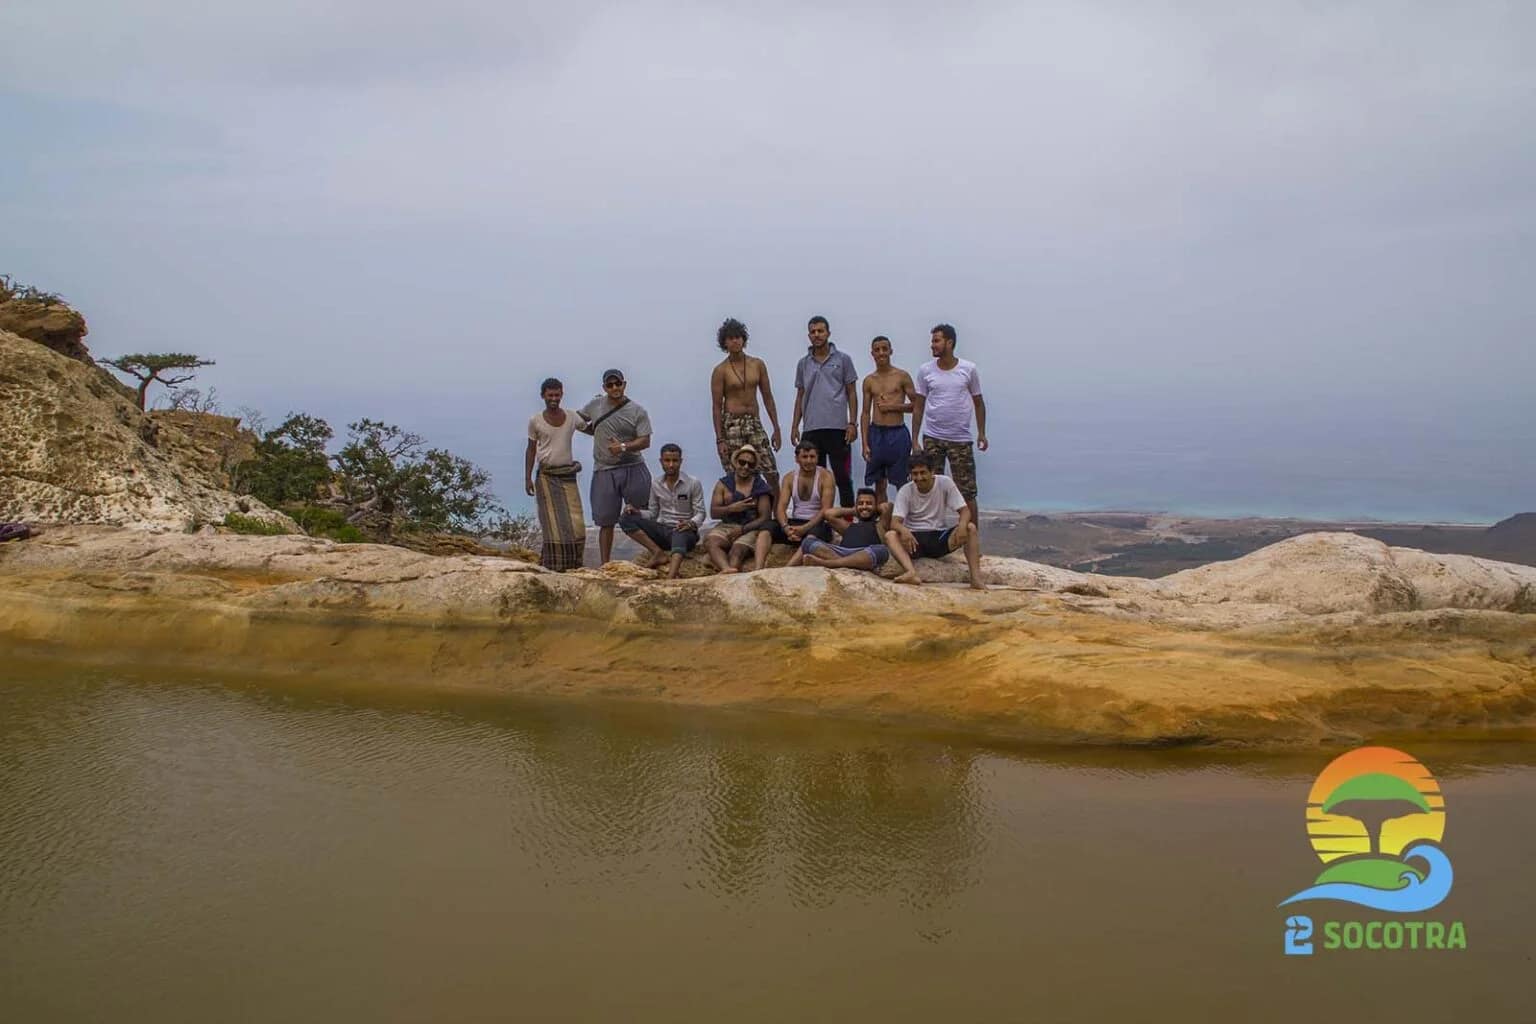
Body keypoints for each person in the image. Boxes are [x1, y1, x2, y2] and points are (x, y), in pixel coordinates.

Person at [911, 323, 987, 525]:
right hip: (932, 437)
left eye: (936, 341)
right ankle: (933, 532)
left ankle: (972, 538)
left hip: (960, 439)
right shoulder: (925, 370)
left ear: (949, 342)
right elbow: (918, 406)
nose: (932, 345)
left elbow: (978, 402)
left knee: (967, 491)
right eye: (932, 341)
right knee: (931, 488)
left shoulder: (968, 369)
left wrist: (981, 433)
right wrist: (915, 440)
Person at [576, 368, 653, 564]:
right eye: (610, 385)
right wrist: (595, 432)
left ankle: (656, 554)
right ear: (604, 387)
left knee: (643, 514)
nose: (614, 387)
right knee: (606, 520)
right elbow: (577, 421)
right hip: (604, 469)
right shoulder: (594, 405)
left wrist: (623, 447)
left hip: (633, 467)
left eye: (618, 383)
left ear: (624, 384)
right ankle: (605, 564)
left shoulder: (637, 411)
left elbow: (645, 441)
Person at [885, 453, 984, 589]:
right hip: (914, 541)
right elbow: (894, 522)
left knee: (970, 528)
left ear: (932, 472)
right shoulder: (905, 491)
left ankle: (975, 579)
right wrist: (904, 530)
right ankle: (911, 572)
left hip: (938, 537)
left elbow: (965, 511)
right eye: (915, 474)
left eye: (923, 473)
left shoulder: (944, 483)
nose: (919, 478)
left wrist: (961, 525)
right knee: (890, 535)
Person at [790, 314, 859, 508]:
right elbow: (800, 395)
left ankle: (846, 519)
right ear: (809, 335)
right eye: (813, 332)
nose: (817, 335)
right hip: (812, 428)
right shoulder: (803, 363)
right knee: (814, 478)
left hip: (838, 428)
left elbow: (852, 393)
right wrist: (795, 425)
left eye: (821, 331)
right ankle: (817, 519)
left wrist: (852, 423)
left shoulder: (843, 359)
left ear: (828, 333)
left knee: (842, 476)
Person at [709, 318, 783, 499]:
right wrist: (720, 439)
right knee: (735, 471)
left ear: (743, 339)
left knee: (770, 470)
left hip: (754, 423)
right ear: (724, 342)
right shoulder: (720, 370)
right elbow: (717, 407)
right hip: (732, 424)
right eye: (730, 338)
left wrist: (776, 428)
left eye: (738, 337)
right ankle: (741, 513)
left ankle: (777, 514)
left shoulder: (757, 364)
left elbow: (768, 397)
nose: (735, 341)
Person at [524, 377, 585, 571]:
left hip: (568, 476)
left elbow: (591, 428)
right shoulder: (535, 421)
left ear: (562, 394)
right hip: (546, 476)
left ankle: (574, 565)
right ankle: (552, 566)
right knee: (552, 524)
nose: (554, 398)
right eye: (550, 395)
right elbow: (531, 449)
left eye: (557, 395)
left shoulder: (572, 417)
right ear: (543, 396)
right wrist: (527, 478)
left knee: (576, 524)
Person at [617, 443, 705, 579]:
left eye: (675, 461)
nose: (671, 465)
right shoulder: (656, 484)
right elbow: (652, 513)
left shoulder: (693, 483)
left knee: (679, 532)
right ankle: (657, 553)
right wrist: (637, 512)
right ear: (661, 461)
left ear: (680, 462)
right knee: (626, 518)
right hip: (663, 530)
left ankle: (671, 577)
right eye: (667, 460)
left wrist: (690, 523)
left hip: (685, 531)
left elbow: (701, 513)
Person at [860, 335, 917, 507]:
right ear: (872, 353)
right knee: (878, 481)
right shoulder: (869, 380)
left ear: (891, 351)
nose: (881, 353)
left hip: (897, 432)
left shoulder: (902, 376)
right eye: (877, 350)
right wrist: (864, 443)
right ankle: (882, 521)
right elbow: (864, 413)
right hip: (876, 433)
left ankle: (903, 519)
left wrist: (893, 406)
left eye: (884, 349)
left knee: (902, 481)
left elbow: (916, 405)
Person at [704, 444, 775, 574]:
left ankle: (730, 572)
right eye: (742, 462)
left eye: (750, 464)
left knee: (737, 551)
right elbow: (713, 512)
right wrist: (731, 508)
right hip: (727, 525)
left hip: (749, 527)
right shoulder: (723, 484)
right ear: (736, 462)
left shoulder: (760, 487)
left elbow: (765, 517)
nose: (745, 467)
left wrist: (742, 529)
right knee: (711, 542)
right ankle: (726, 570)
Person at [791, 487, 891, 573]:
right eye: (861, 503)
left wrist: (872, 509)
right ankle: (843, 563)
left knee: (881, 550)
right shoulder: (847, 526)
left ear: (875, 506)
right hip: (841, 553)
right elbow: (828, 514)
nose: (864, 506)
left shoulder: (880, 525)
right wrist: (855, 510)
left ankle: (827, 563)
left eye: (869, 503)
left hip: (865, 554)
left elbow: (887, 507)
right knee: (808, 543)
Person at [774, 440, 835, 547]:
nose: (809, 461)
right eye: (805, 457)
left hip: (817, 524)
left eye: (812, 457)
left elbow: (826, 509)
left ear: (817, 458)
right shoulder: (789, 478)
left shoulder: (826, 477)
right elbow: (781, 507)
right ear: (797, 459)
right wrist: (786, 527)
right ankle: (759, 564)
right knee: (767, 528)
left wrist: (805, 528)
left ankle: (792, 563)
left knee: (812, 537)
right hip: (795, 522)